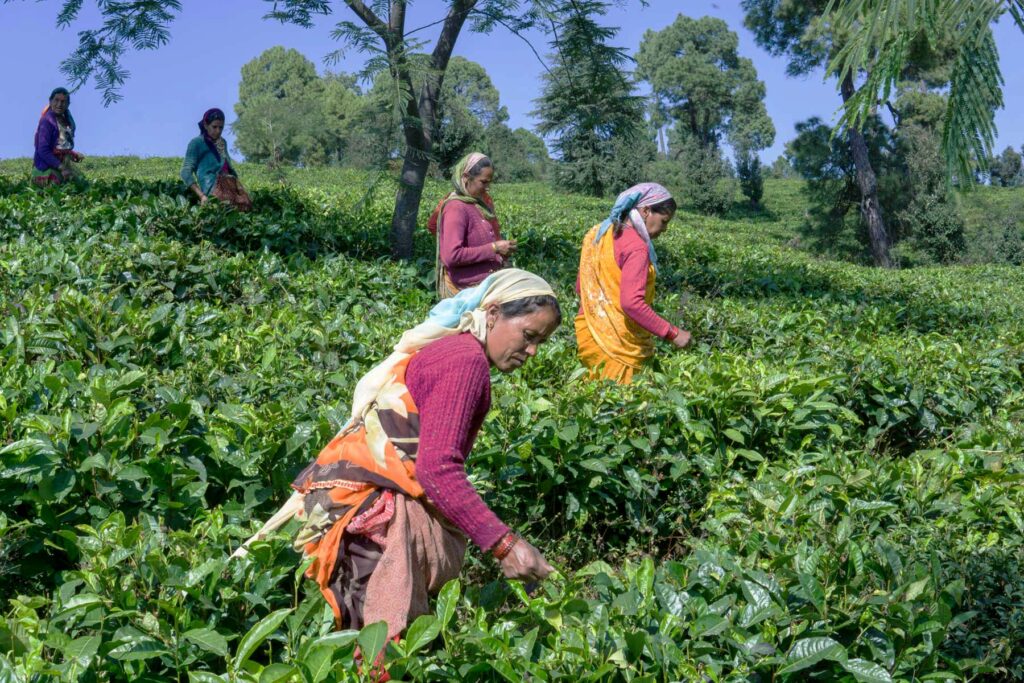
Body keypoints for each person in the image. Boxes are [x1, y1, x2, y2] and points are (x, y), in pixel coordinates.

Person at [233, 269, 559, 646]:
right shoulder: (464, 363)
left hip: (340, 503)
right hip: (366, 524)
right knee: (374, 653)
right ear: (493, 313)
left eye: (541, 343)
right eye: (529, 336)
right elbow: (437, 470)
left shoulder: (453, 350)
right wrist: (505, 545)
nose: (532, 351)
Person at [575, 182, 691, 384]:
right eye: (664, 221)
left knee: (595, 401)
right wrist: (673, 333)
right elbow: (631, 303)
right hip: (619, 344)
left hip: (589, 334)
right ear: (646, 211)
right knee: (622, 408)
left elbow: (581, 287)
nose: (665, 229)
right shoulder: (636, 247)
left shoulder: (598, 234)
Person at [427, 152, 516, 299]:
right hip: (466, 289)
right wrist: (494, 248)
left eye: (490, 182)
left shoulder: (480, 203)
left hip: (486, 281)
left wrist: (502, 251)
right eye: (484, 182)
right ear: (466, 177)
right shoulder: (455, 207)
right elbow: (451, 255)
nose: (488, 187)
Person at [180, 108, 252, 211]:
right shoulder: (196, 143)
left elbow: (228, 167)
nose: (218, 131)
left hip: (232, 184)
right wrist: (201, 196)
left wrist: (239, 187)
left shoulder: (223, 142)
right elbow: (185, 172)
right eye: (214, 127)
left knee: (246, 207)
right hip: (214, 188)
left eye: (221, 128)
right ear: (205, 125)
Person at [32, 88, 84, 187]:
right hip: (47, 168)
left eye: (63, 101)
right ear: (50, 101)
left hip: (60, 165)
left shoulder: (65, 121)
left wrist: (73, 154)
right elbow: (43, 150)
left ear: (68, 104)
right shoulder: (47, 121)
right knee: (61, 187)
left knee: (81, 184)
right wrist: (62, 168)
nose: (59, 104)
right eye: (56, 100)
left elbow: (60, 146)